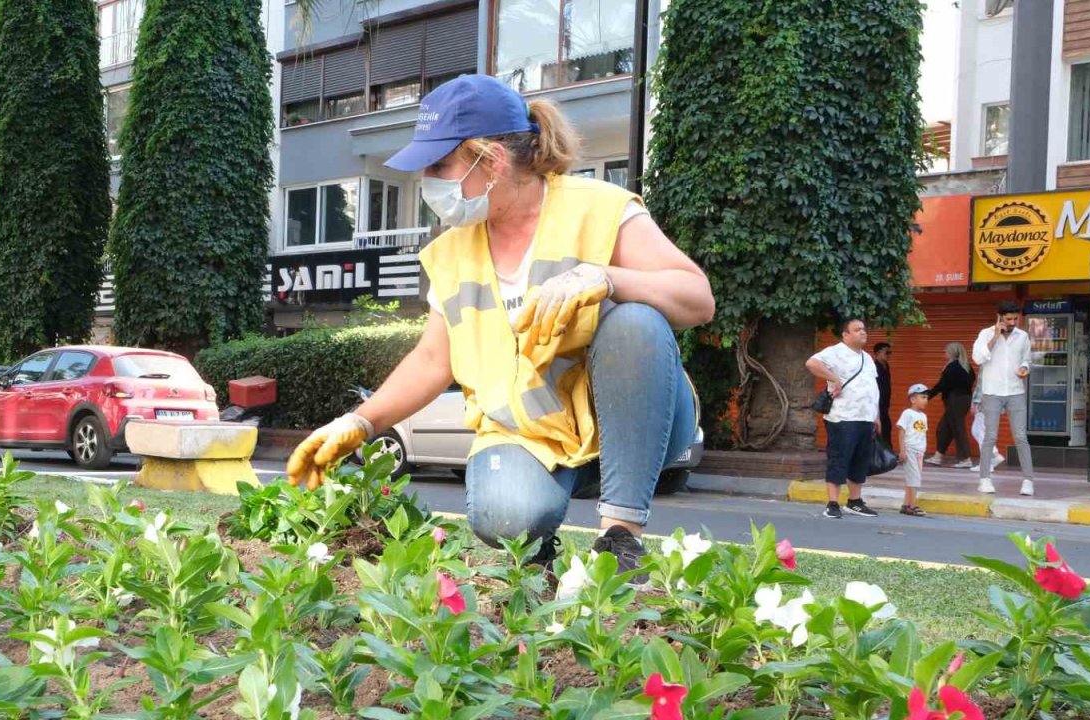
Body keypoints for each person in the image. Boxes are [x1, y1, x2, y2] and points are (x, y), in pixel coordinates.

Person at [284, 75, 715, 574]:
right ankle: (538, 557)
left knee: (636, 322)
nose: (429, 183)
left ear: (490, 161)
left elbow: (697, 299)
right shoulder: (450, 252)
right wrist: (359, 422)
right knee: (502, 516)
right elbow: (431, 359)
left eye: (439, 166)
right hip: (529, 435)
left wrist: (606, 277)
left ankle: (619, 541)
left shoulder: (597, 208)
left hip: (637, 428)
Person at [805, 318, 881, 519]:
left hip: (865, 417)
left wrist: (876, 415)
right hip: (842, 417)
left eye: (864, 329)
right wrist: (833, 377)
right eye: (857, 329)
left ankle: (855, 501)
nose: (863, 332)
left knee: (860, 460)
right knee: (839, 458)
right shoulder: (835, 352)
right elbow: (812, 363)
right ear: (845, 335)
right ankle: (832, 503)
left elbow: (872, 389)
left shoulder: (868, 358)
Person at [971, 300, 1033, 496]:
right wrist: (995, 337)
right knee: (990, 436)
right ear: (999, 317)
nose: (1013, 322)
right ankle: (984, 479)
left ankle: (1028, 480)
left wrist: (1025, 368)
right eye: (1009, 319)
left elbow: (1027, 359)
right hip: (992, 391)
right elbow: (978, 358)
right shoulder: (985, 333)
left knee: (1021, 437)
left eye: (1016, 318)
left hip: (1015, 390)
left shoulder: (1022, 336)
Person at [927, 342, 976, 468]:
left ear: (951, 352)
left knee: (958, 429)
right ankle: (938, 456)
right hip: (964, 400)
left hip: (955, 400)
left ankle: (965, 459)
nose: (945, 353)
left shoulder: (952, 367)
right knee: (944, 428)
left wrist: (928, 396)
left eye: (946, 351)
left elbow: (942, 385)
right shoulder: (967, 367)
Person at [896, 384, 931, 517]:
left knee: (913, 478)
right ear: (912, 399)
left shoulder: (923, 416)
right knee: (914, 479)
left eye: (926, 398)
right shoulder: (907, 413)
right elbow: (901, 431)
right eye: (922, 397)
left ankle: (906, 505)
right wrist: (902, 450)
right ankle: (912, 505)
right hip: (910, 449)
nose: (925, 400)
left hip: (919, 452)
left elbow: (922, 435)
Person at [970, 373, 1007, 474]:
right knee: (978, 431)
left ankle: (988, 462)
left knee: (980, 431)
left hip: (985, 402)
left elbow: (981, 385)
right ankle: (993, 456)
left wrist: (976, 401)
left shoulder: (988, 365)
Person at [874, 342, 893, 448]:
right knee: (881, 428)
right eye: (887, 352)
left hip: (885, 404)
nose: (889, 355)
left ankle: (887, 452)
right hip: (877, 404)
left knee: (887, 427)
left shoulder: (886, 366)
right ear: (878, 353)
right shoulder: (874, 367)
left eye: (890, 352)